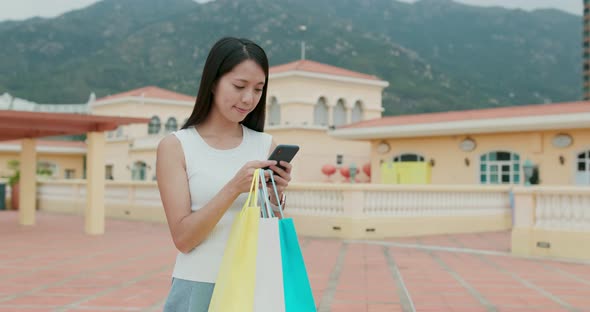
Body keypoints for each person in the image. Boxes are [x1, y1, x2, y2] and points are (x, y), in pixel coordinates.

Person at [156, 37, 292, 311]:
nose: (249, 98)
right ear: (213, 82)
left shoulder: (266, 145)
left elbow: (269, 231)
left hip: (254, 285)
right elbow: (184, 239)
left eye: (258, 89)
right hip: (199, 283)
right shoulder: (177, 146)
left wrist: (277, 195)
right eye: (239, 86)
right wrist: (233, 188)